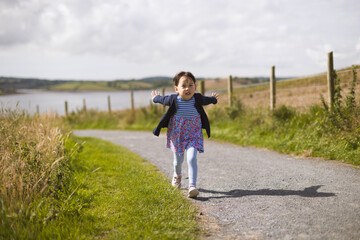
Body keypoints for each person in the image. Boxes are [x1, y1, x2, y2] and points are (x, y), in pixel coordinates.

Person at [151, 71, 219, 198]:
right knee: (178, 161)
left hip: (194, 134)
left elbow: (207, 100)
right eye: (184, 86)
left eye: (191, 85)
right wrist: (155, 98)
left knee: (192, 158)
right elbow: (162, 99)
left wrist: (214, 99)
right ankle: (177, 176)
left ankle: (192, 186)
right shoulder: (173, 99)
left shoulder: (197, 98)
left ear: (195, 87)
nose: (187, 88)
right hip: (178, 135)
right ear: (176, 89)